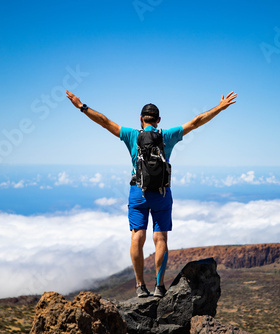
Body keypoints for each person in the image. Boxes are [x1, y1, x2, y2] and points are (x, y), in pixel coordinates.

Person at [66, 90, 237, 297]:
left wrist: (81, 106)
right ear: (158, 120)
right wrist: (220, 107)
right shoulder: (167, 135)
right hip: (162, 193)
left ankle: (139, 286)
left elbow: (104, 121)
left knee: (137, 237)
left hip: (138, 191)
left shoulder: (131, 135)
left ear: (141, 120)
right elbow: (196, 122)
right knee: (160, 238)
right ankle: (159, 286)